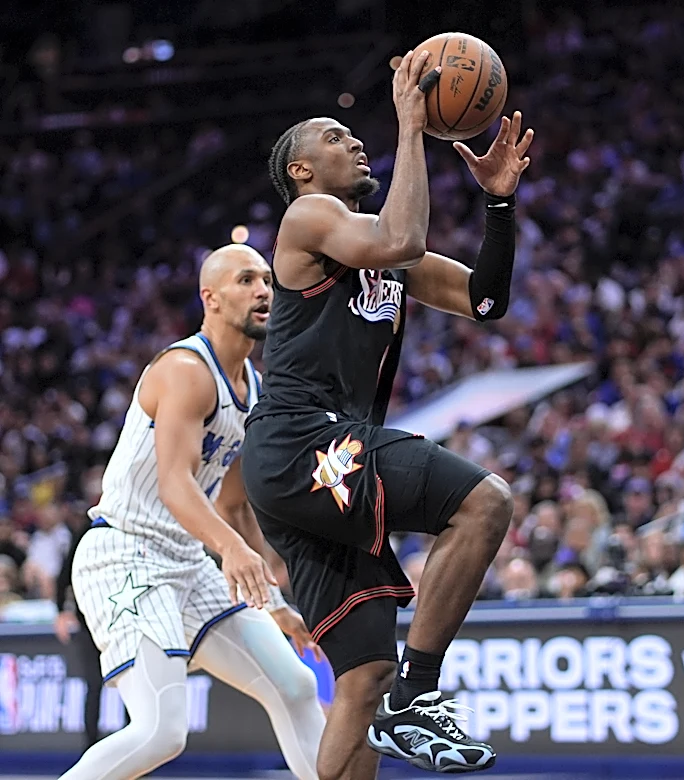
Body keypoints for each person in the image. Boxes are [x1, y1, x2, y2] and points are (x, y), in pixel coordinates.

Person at [241, 50, 533, 777]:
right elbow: (401, 238)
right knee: (485, 502)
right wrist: (411, 125)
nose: (353, 141)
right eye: (334, 137)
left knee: (363, 678)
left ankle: (394, 696)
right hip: (303, 442)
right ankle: (419, 694)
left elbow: (486, 300)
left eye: (352, 133)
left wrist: (499, 204)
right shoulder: (309, 216)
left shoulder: (380, 243)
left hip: (316, 463)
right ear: (301, 170)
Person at [59, 245, 326, 780]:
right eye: (246, 280)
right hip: (125, 554)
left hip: (186, 560)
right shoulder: (185, 369)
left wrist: (273, 602)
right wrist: (232, 548)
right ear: (211, 298)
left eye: (268, 280)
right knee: (160, 731)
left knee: (295, 687)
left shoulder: (253, 390)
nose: (264, 291)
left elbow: (232, 503)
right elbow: (175, 484)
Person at [55, 514, 104, 750]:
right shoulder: (88, 528)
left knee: (131, 686)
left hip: (122, 621)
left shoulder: (131, 526)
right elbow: (64, 576)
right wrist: (60, 611)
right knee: (94, 685)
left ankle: (136, 749)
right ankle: (91, 748)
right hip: (89, 622)